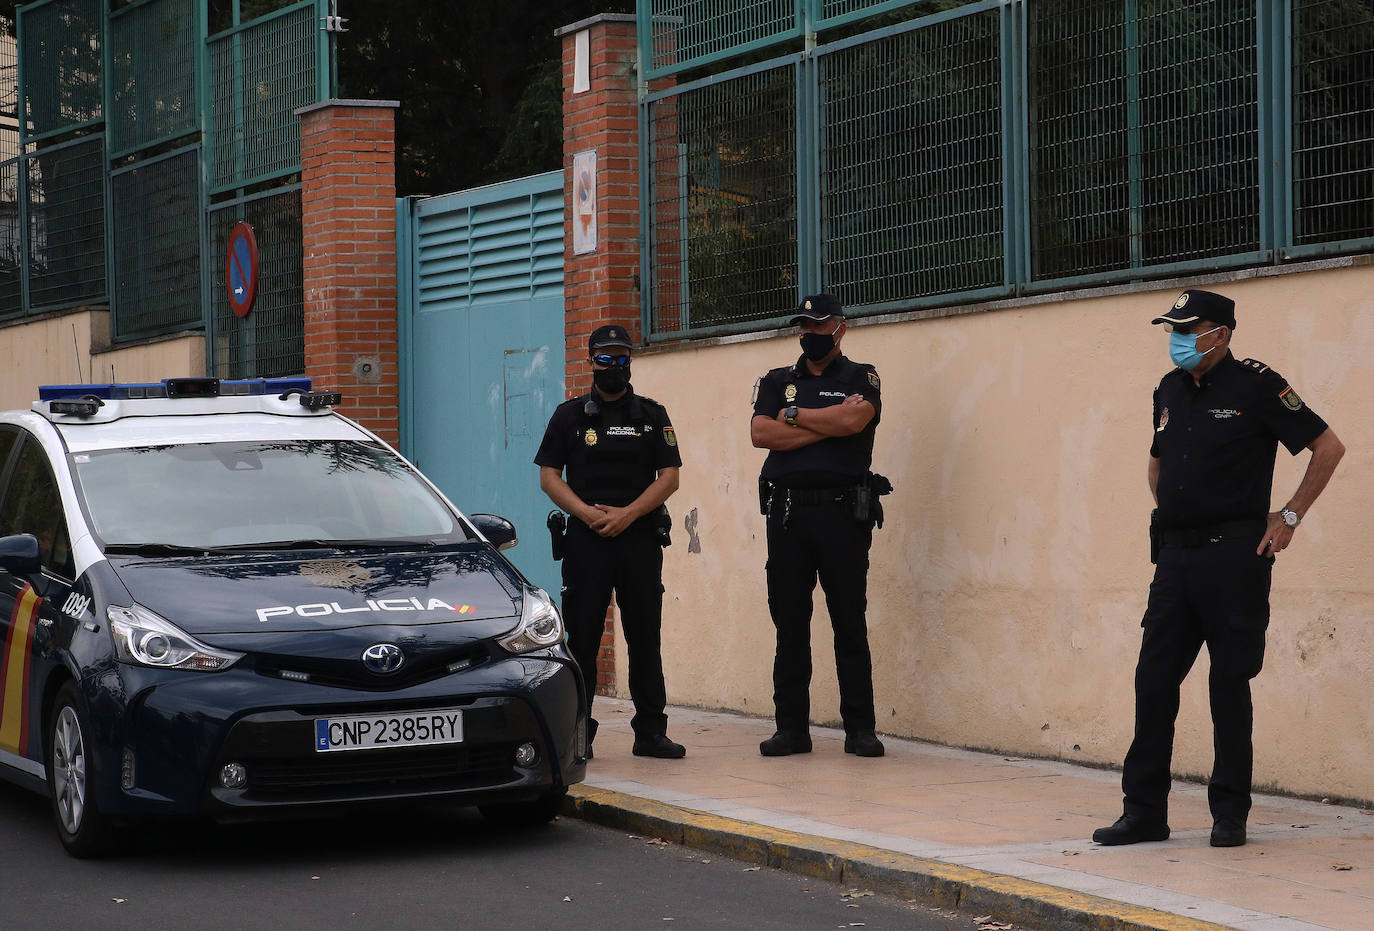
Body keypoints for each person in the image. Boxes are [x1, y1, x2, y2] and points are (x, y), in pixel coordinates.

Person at [1094, 289, 1344, 848]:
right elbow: (1157, 463)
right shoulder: (1168, 389)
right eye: (1173, 330)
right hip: (1175, 557)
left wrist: (1289, 517)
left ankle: (1229, 813)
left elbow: (1328, 447)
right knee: (1154, 680)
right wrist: (1169, 510)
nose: (1178, 340)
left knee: (1229, 683)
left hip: (1235, 556)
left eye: (1188, 329)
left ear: (1221, 334)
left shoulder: (1258, 385)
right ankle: (1144, 813)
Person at [534, 324, 686, 760]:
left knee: (644, 636)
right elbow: (549, 476)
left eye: (622, 358)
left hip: (638, 538)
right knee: (580, 639)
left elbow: (670, 477)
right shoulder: (570, 416)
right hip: (587, 540)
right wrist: (585, 513)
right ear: (591, 362)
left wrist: (628, 514)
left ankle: (651, 732)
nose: (614, 366)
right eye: (606, 359)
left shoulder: (652, 415)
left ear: (630, 363)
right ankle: (579, 733)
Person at [750, 293, 887, 758]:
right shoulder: (776, 380)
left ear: (840, 329)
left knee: (849, 622)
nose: (810, 334)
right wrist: (824, 424)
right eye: (804, 326)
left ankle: (860, 730)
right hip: (787, 515)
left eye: (819, 325)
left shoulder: (860, 376)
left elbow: (856, 418)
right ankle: (791, 728)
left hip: (842, 515)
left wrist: (794, 418)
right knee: (790, 625)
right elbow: (760, 433)